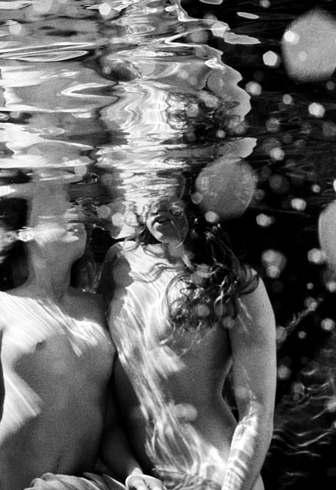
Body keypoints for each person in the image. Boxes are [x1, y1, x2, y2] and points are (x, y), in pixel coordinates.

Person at [0, 184, 116, 490]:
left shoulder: (101, 309)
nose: (77, 211)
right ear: (26, 231)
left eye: (77, 203)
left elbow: (111, 421)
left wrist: (134, 472)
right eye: (60, 202)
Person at [99, 192, 277, 490]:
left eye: (169, 192)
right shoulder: (119, 260)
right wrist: (132, 473)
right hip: (141, 481)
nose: (157, 202)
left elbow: (257, 411)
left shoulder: (236, 282)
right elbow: (108, 398)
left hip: (216, 477)